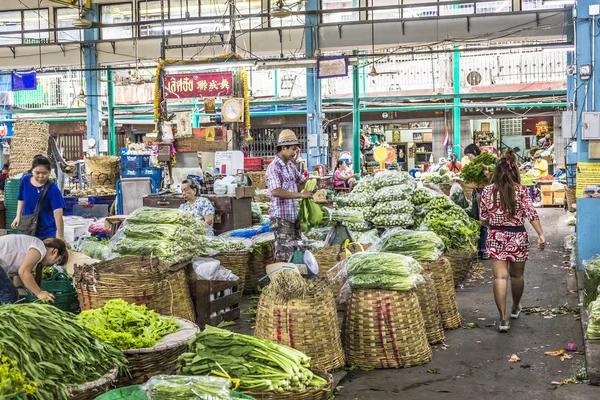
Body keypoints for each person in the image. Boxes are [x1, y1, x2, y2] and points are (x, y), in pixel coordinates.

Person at [479, 150, 546, 333]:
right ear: (514, 171)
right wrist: (540, 234)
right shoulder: (522, 190)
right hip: (518, 237)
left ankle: (502, 319)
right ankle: (515, 307)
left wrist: (495, 222)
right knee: (517, 276)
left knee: (500, 277)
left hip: (496, 236)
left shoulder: (486, 191)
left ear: (496, 173)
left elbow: (483, 216)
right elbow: (531, 214)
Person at [266, 129, 312, 262]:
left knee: (297, 253)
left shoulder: (290, 166)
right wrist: (300, 195)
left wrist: (314, 183)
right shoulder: (274, 167)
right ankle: (283, 280)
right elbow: (276, 191)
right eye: (293, 149)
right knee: (284, 255)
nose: (295, 153)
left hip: (293, 217)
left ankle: (297, 279)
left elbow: (301, 182)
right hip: (281, 219)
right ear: (283, 148)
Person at [0, 235, 69, 305]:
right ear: (55, 251)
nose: (54, 264)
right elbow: (23, 272)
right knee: (9, 295)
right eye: (58, 260)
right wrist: (39, 293)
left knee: (11, 294)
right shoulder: (39, 248)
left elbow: (19, 275)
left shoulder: (33, 251)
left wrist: (22, 293)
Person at [12, 155, 66, 241]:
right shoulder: (25, 181)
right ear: (32, 171)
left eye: (44, 173)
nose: (41, 176)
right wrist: (18, 216)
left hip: (46, 232)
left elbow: (58, 214)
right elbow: (21, 199)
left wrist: (60, 236)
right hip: (27, 228)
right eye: (37, 173)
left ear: (49, 172)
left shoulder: (53, 190)